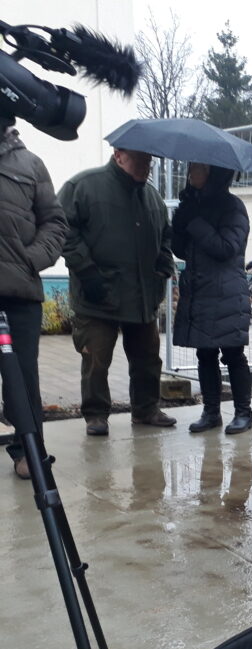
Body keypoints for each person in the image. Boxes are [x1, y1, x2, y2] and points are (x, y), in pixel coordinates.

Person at [58, 148, 178, 436]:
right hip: (97, 295)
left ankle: (146, 409)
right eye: (139, 159)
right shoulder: (83, 187)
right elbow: (61, 227)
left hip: (142, 295)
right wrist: (86, 271)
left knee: (148, 358)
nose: (145, 166)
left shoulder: (151, 197)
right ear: (118, 155)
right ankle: (96, 415)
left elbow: (165, 235)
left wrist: (163, 263)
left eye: (149, 161)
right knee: (96, 359)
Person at [0, 119, 68, 479]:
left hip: (18, 292)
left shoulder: (30, 164)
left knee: (22, 379)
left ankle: (28, 450)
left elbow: (55, 222)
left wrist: (31, 259)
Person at [171, 163, 252, 435]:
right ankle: (211, 412)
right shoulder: (193, 204)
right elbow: (183, 250)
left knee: (232, 353)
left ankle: (244, 412)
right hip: (200, 290)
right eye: (191, 167)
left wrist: (195, 222)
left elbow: (226, 248)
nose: (191, 171)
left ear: (214, 173)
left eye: (198, 167)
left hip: (226, 292)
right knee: (204, 353)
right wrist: (180, 225)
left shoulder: (233, 207)